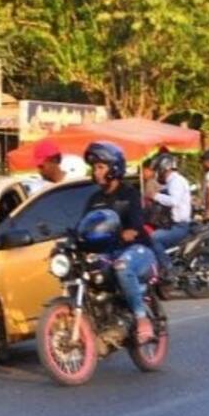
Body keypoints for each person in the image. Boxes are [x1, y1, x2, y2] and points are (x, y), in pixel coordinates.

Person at [82, 141, 156, 343]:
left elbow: (137, 223)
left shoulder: (129, 194)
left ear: (114, 168)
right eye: (94, 168)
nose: (96, 172)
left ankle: (142, 319)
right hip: (109, 252)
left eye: (100, 167)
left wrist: (129, 232)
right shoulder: (94, 199)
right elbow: (85, 224)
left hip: (138, 250)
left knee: (122, 266)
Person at [145, 153, 192, 273]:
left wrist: (155, 196)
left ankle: (169, 269)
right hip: (173, 225)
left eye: (157, 170)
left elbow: (174, 201)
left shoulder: (176, 181)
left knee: (153, 238)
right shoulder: (171, 182)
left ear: (164, 168)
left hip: (179, 227)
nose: (157, 173)